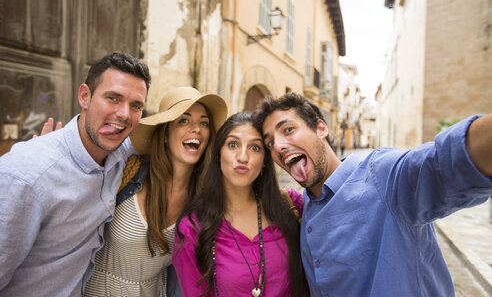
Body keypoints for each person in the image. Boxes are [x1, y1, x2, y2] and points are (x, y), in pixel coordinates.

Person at [253, 92, 492, 297]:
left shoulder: (383, 175)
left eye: (289, 129)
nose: (279, 146)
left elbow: (445, 162)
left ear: (321, 128)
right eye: (270, 143)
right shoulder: (305, 205)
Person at [0, 52, 151, 296]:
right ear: (84, 96)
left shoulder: (119, 152)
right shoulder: (26, 177)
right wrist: (38, 156)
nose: (124, 114)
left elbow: (165, 142)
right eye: (113, 98)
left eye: (136, 106)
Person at [84, 86, 227, 296]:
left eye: (204, 122)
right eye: (184, 120)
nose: (196, 128)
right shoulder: (128, 173)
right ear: (166, 134)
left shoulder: (204, 200)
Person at [173, 112, 309, 297]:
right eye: (233, 144)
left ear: (264, 161)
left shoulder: (292, 206)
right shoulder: (193, 228)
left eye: (255, 147)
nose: (243, 156)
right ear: (218, 153)